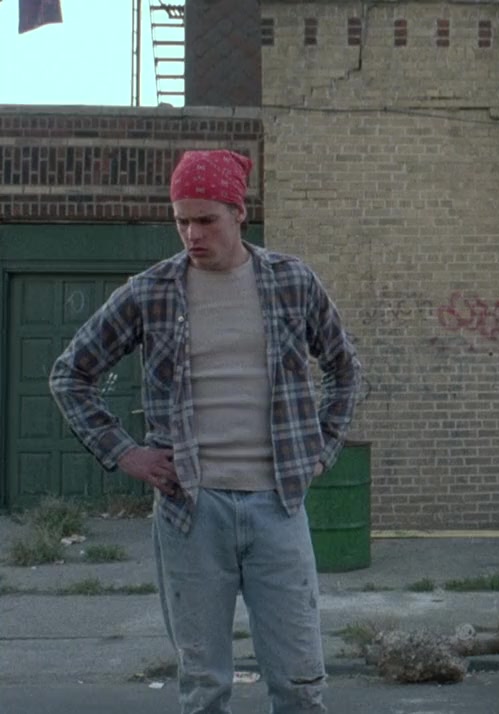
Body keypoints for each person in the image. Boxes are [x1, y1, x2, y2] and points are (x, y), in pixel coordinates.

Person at [49, 149, 362, 713]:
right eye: (182, 221)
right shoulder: (151, 291)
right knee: (204, 686)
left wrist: (322, 447)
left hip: (279, 504)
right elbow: (70, 375)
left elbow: (345, 369)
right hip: (190, 510)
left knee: (299, 683)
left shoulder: (292, 282)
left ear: (239, 213)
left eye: (206, 219)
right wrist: (126, 453)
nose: (192, 234)